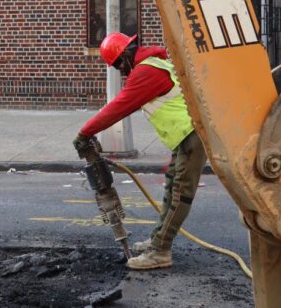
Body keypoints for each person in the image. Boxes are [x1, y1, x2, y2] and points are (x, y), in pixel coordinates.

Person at [74, 33, 207, 270]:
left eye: (117, 65)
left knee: (180, 195)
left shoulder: (146, 72)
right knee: (172, 188)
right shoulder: (154, 63)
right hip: (184, 137)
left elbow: (119, 106)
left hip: (191, 136)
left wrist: (85, 132)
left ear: (125, 55)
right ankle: (158, 240)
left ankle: (161, 251)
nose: (120, 72)